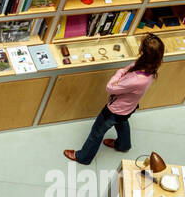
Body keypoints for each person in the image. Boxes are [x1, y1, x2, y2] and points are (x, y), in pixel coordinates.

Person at [64, 34, 163, 165]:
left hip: (115, 109)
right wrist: (125, 71)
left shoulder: (136, 80)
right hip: (129, 106)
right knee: (122, 121)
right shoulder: (151, 66)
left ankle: (83, 157)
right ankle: (123, 145)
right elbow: (132, 67)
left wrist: (119, 72)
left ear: (143, 52)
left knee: (97, 132)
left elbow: (110, 87)